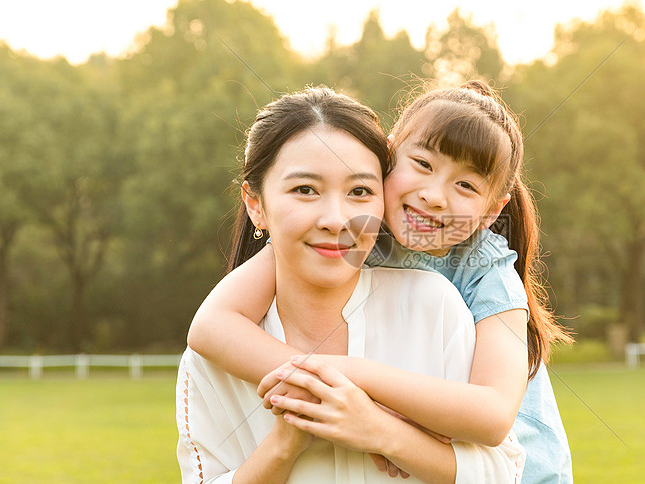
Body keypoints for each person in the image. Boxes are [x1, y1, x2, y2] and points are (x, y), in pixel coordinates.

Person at [188, 81, 574, 483]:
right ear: (390, 155)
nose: (435, 196)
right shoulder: (347, 230)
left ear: (493, 210)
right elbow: (211, 327)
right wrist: (333, 395)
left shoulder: (487, 270)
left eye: (466, 185)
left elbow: (493, 416)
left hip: (528, 470)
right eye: (423, 164)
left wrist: (357, 383)